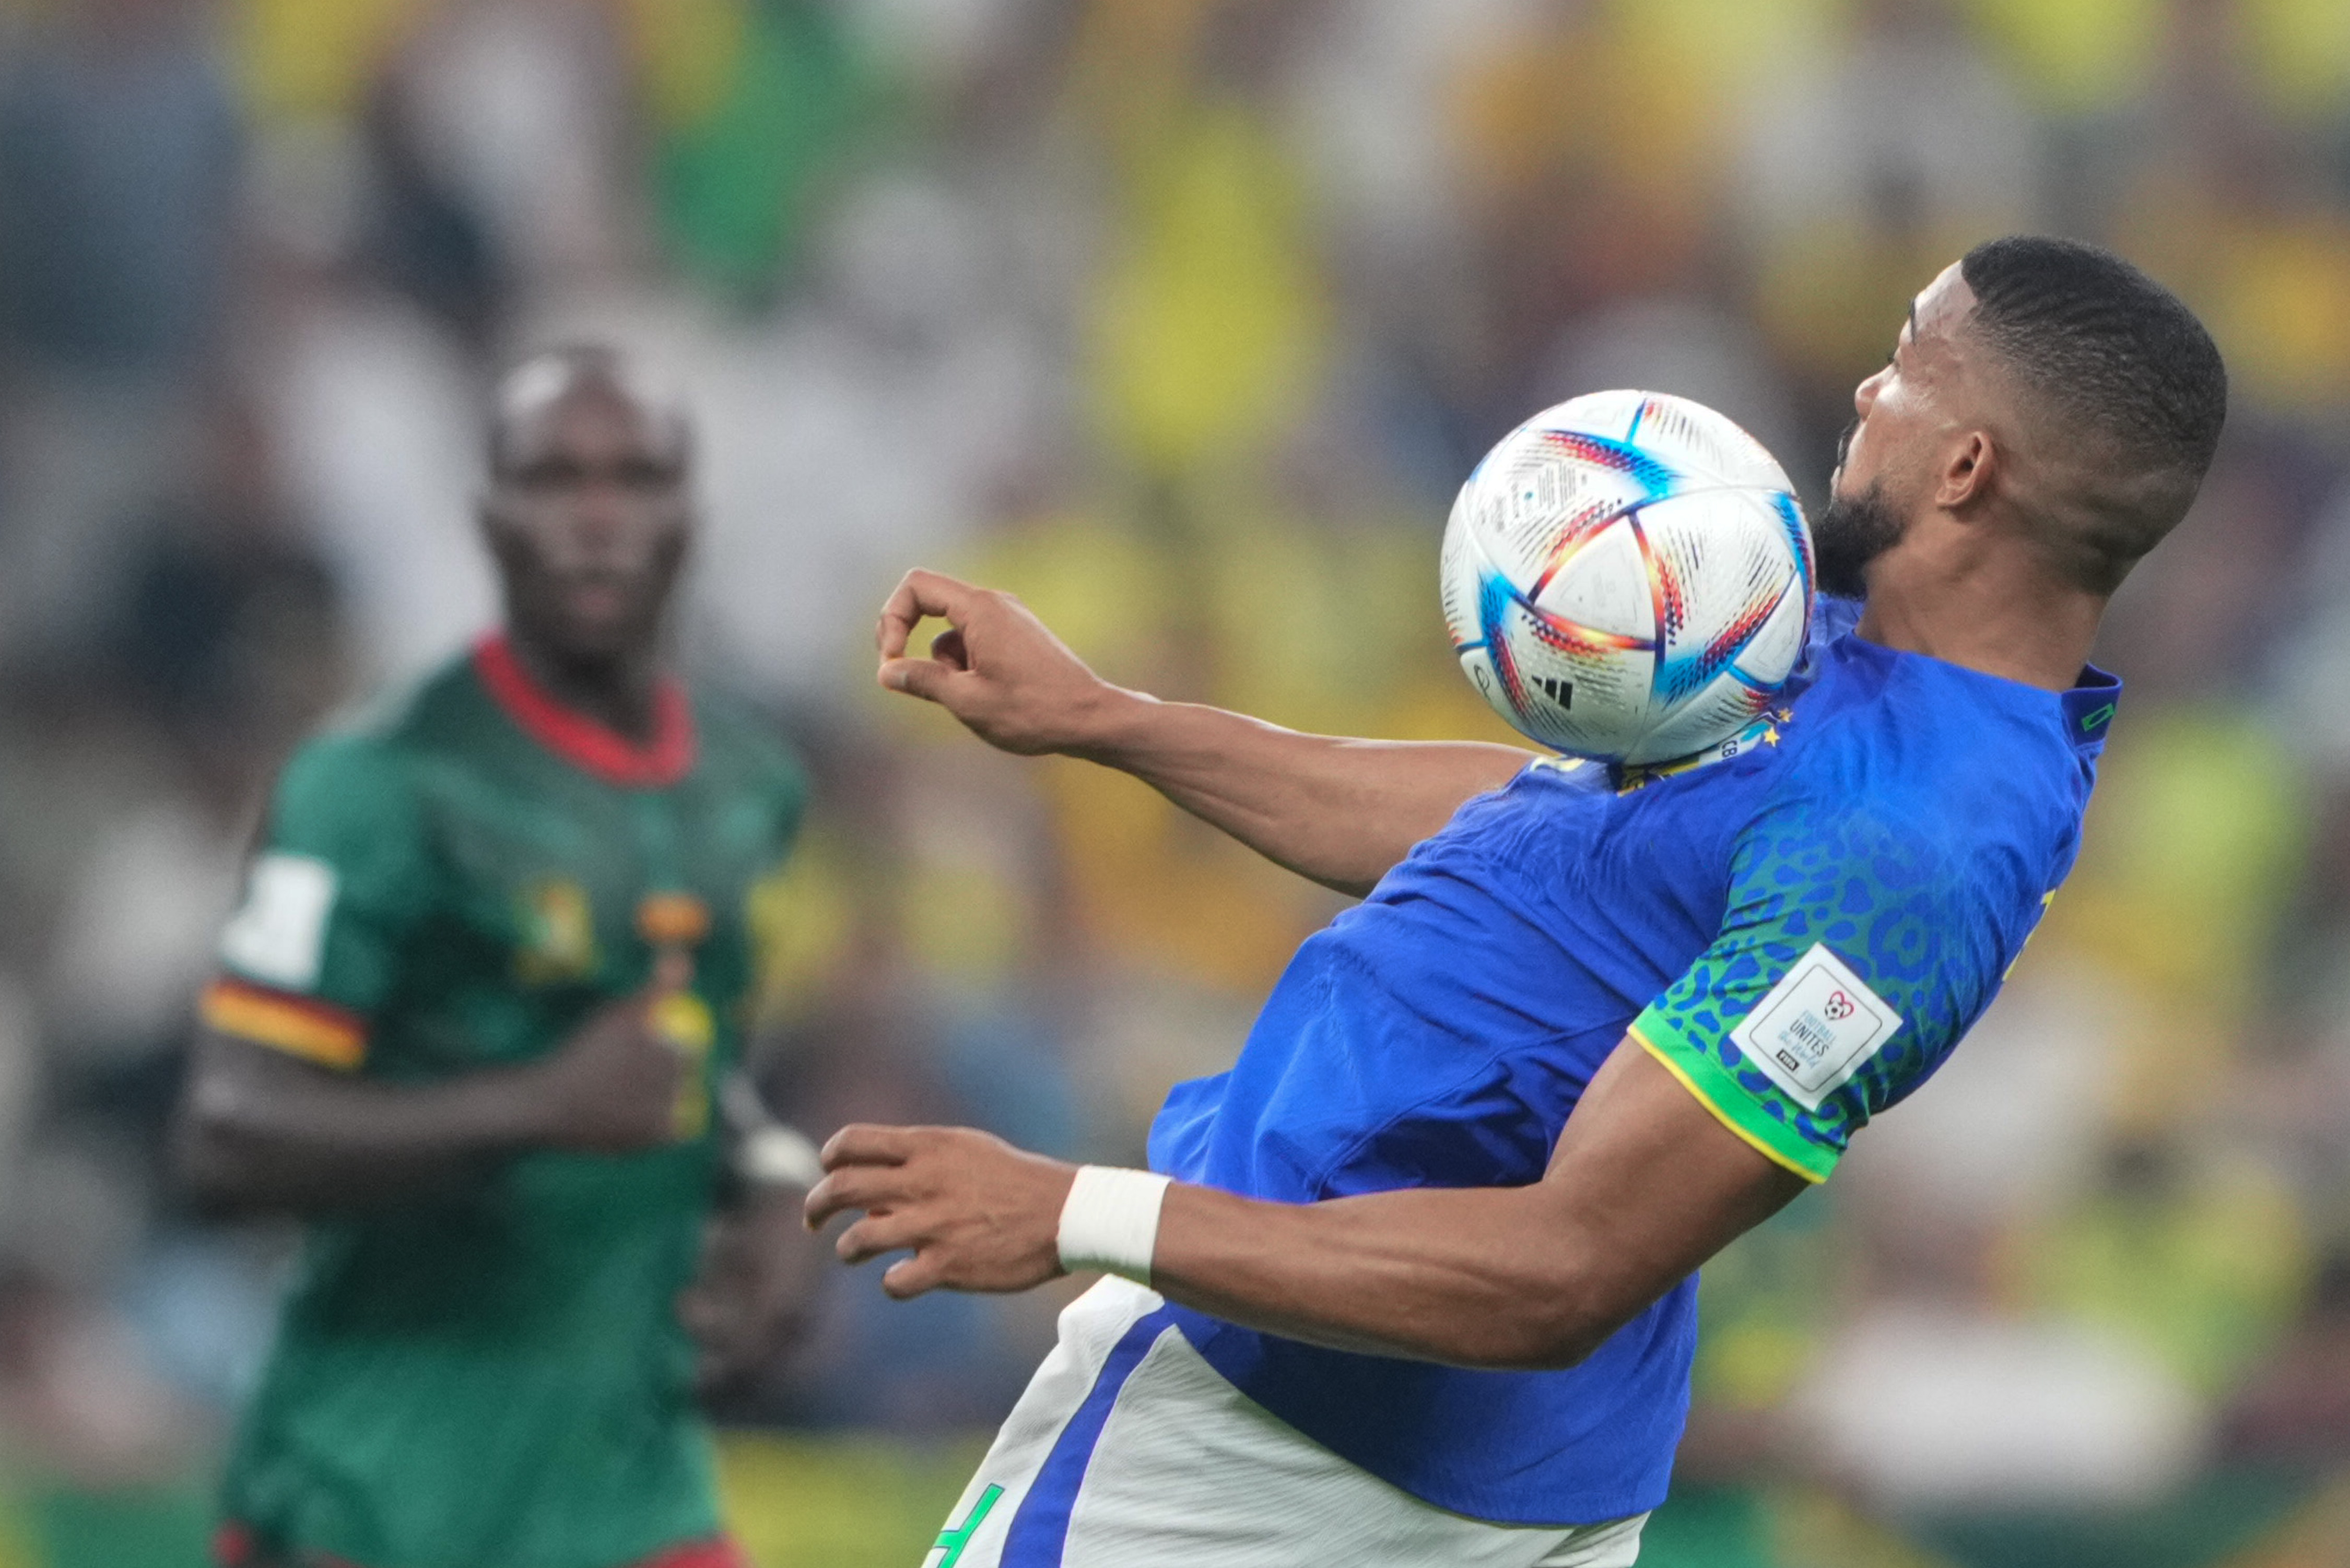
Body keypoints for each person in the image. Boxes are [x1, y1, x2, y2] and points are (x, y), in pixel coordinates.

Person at [804, 235, 2230, 1565]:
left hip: (1285, 1464)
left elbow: (1563, 1269)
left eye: (1907, 363)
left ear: (1967, 465)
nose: (1865, 388)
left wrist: (1075, 1209)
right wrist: (1109, 721)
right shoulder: (1855, 647)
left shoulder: (1900, 850)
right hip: (1388, 1441)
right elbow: (1542, 839)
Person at [173, 347, 823, 1568]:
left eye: (636, 479)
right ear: (489, 515)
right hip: (378, 1480)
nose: (596, 517)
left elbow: (692, 1062)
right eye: (554, 477)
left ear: (691, 515)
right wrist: (540, 1102)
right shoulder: (374, 784)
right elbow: (226, 1131)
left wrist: (775, 1176)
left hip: (629, 1479)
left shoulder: (749, 786)